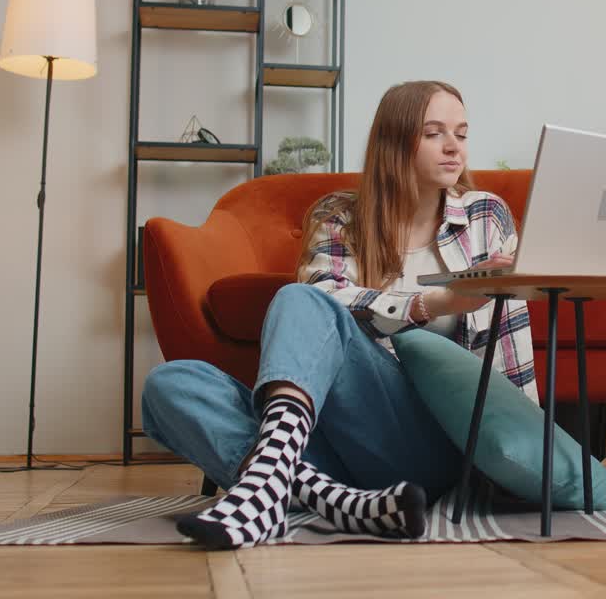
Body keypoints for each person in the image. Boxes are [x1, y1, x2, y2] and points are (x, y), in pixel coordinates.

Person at [141, 81, 536, 549]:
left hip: (427, 445)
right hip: (328, 440)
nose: (454, 147)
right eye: (434, 133)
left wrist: (522, 460)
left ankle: (277, 487)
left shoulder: (486, 217)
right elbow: (325, 298)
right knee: (169, 385)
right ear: (394, 141)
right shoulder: (339, 217)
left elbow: (510, 354)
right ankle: (343, 504)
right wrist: (432, 303)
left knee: (298, 300)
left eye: (461, 133)